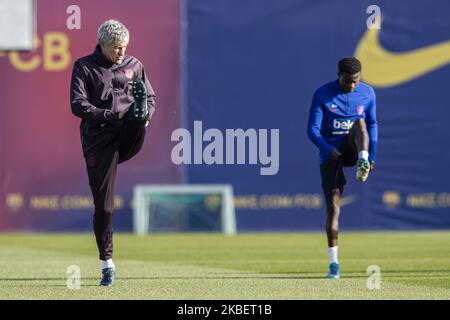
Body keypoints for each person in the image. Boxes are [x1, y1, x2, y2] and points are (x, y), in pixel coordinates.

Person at [70, 19, 156, 286]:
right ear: (103, 44)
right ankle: (107, 264)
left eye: (125, 47)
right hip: (99, 140)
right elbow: (78, 105)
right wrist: (110, 113)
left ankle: (136, 115)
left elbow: (152, 98)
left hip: (128, 133)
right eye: (117, 48)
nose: (121, 52)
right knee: (104, 207)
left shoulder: (135, 65)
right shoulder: (84, 67)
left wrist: (145, 113)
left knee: (138, 113)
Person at [307, 57, 377, 279]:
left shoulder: (367, 93)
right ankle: (334, 264)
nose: (352, 85)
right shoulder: (322, 94)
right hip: (331, 153)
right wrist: (328, 149)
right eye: (348, 81)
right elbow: (312, 130)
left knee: (361, 123)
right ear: (339, 75)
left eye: (356, 81)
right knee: (334, 208)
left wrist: (371, 155)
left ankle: (363, 162)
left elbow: (373, 123)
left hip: (353, 148)